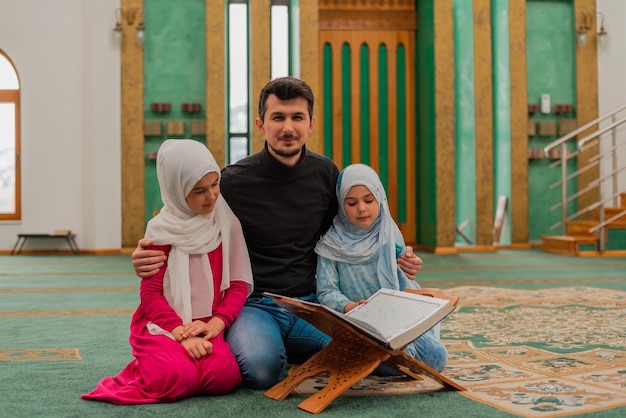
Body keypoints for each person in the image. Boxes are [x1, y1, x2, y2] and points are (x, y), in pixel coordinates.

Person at [131, 76, 423, 389]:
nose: (288, 128)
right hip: (253, 305)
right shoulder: (233, 182)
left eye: (297, 117)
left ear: (311, 123)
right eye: (278, 118)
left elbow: (353, 231)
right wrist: (145, 253)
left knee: (378, 356)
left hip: (310, 304)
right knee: (260, 371)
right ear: (261, 124)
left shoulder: (326, 174)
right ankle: (281, 350)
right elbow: (186, 221)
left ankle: (298, 348)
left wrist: (400, 257)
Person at [82, 139, 254, 404]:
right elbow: (150, 294)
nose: (211, 196)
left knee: (224, 377)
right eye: (199, 190)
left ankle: (180, 362)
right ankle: (153, 363)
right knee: (177, 378)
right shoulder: (161, 231)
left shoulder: (225, 223)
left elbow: (238, 285)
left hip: (208, 324)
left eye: (214, 185)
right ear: (176, 189)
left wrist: (214, 325)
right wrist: (181, 335)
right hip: (163, 325)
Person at [315, 163, 448, 373]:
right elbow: (326, 291)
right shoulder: (331, 245)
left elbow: (405, 279)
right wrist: (349, 306)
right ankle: (383, 361)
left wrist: (409, 264)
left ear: (380, 199)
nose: (361, 208)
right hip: (357, 324)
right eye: (351, 203)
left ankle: (388, 360)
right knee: (395, 359)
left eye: (369, 200)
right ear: (341, 205)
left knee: (437, 357)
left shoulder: (389, 237)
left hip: (394, 319)